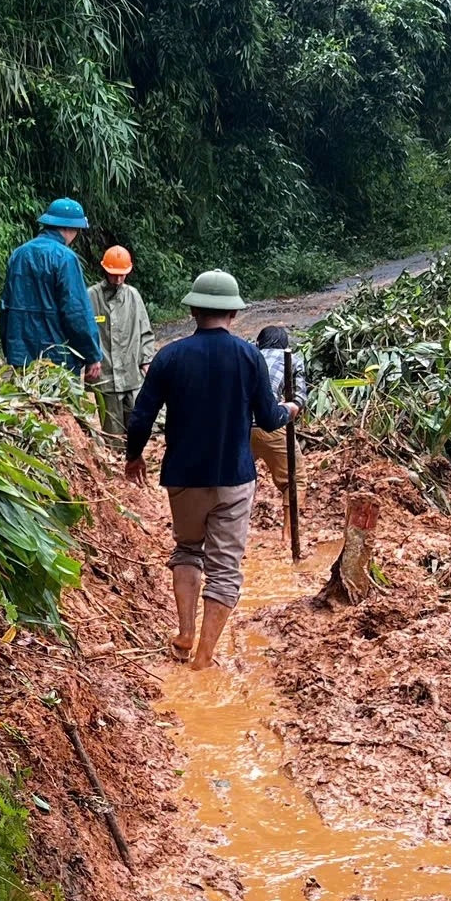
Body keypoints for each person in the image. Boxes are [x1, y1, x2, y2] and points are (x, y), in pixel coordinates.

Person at [125, 270, 294, 667]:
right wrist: (291, 409)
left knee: (187, 549)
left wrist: (134, 457)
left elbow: (140, 417)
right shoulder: (249, 357)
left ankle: (184, 633)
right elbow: (269, 419)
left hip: (183, 478)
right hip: (234, 479)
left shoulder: (169, 356)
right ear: (233, 314)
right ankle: (203, 657)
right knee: (225, 567)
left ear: (193, 310)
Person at [0, 199, 104, 381]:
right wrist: (92, 354)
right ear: (71, 229)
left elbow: (4, 307)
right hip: (57, 360)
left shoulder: (19, 254)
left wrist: (11, 349)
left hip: (22, 359)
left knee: (26, 407)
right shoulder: (65, 258)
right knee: (58, 409)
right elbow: (76, 313)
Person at [88, 245, 153, 440]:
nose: (117, 279)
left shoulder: (133, 296)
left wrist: (146, 359)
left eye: (122, 275)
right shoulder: (91, 296)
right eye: (113, 274)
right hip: (106, 378)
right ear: (105, 271)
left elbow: (145, 332)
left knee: (137, 429)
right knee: (112, 436)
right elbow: (83, 333)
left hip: (131, 375)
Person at [250, 323, 303, 493]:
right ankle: (289, 520)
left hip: (237, 426)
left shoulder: (246, 354)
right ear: (286, 345)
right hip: (271, 422)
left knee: (235, 485)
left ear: (259, 343)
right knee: (295, 482)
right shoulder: (293, 359)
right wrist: (289, 410)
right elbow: (300, 398)